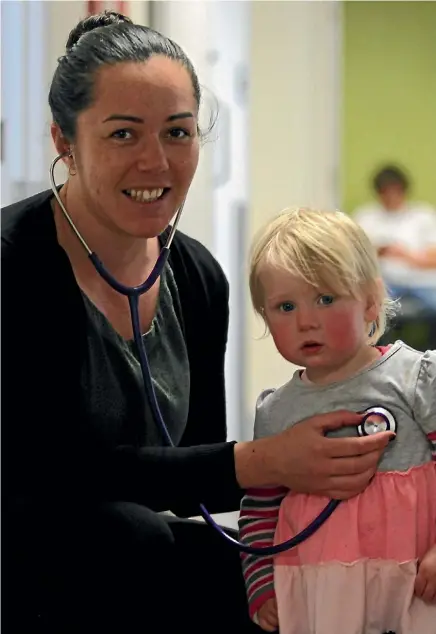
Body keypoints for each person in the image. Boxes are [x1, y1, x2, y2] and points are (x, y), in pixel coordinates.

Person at [1, 12, 392, 634]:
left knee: (277, 577)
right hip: (28, 564)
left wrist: (339, 476)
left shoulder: (197, 277)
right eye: (123, 135)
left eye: (177, 133)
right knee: (134, 538)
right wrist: (263, 462)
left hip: (136, 561)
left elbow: (197, 480)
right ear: (63, 142)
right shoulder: (13, 265)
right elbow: (53, 472)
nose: (156, 162)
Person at [238, 207, 436, 634]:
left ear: (369, 300)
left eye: (325, 299)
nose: (305, 320)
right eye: (284, 306)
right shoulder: (276, 413)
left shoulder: (415, 378)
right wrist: (262, 588)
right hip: (321, 596)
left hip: (416, 588)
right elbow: (259, 510)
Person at [353, 165, 436, 311]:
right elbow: (353, 256)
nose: (391, 196)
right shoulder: (365, 217)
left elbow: (432, 258)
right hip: (384, 282)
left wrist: (404, 255)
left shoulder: (424, 216)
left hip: (422, 282)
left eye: (395, 191)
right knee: (366, 305)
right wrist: (378, 252)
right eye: (385, 191)